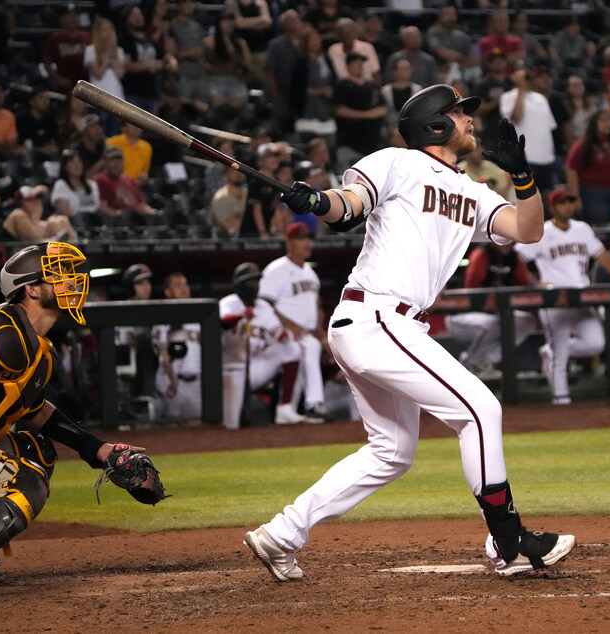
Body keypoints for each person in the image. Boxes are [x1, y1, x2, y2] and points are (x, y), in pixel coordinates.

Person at [245, 86, 576, 581]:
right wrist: (316, 200)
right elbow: (349, 204)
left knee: (392, 452)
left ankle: (281, 535)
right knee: (481, 410)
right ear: (434, 123)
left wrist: (524, 178)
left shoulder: (471, 189)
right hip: (377, 316)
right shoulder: (396, 162)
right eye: (461, 113)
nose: (470, 121)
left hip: (383, 324)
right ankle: (509, 542)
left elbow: (528, 231)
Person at [0, 242, 161, 603]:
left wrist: (99, 450)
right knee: (17, 479)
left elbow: (37, 411)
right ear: (30, 288)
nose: (72, 282)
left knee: (35, 452)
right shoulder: (1, 332)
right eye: (59, 274)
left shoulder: (38, 349)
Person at [516, 187, 610, 404]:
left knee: (596, 344)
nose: (568, 205)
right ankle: (561, 402)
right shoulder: (541, 231)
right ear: (552, 207)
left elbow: (602, 255)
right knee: (560, 355)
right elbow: (518, 258)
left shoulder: (582, 228)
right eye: (562, 202)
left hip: (583, 297)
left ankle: (549, 352)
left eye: (570, 201)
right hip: (556, 300)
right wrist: (537, 282)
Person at [220, 262, 309, 428]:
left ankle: (284, 408)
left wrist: (281, 336)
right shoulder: (229, 302)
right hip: (230, 369)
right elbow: (223, 322)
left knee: (292, 349)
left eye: (256, 280)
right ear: (239, 284)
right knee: (230, 425)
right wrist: (241, 316)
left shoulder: (263, 307)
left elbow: (280, 334)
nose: (255, 285)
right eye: (250, 281)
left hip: (255, 367)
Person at [257, 222, 328, 422]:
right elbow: (263, 304)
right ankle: (314, 404)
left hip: (302, 334)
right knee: (309, 347)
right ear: (288, 242)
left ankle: (288, 411)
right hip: (275, 335)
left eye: (309, 238)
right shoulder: (276, 269)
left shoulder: (311, 274)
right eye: (301, 238)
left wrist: (321, 337)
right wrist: (288, 325)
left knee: (307, 352)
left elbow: (314, 311)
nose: (307, 243)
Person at [445, 242, 536, 380]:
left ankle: (482, 361)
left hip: (493, 315)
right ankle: (470, 363)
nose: (507, 242)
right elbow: (471, 292)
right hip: (461, 315)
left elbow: (527, 282)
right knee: (492, 324)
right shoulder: (482, 254)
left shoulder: (513, 257)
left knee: (527, 321)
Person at [499, 65, 558, 193]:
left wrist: (551, 153)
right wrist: (521, 89)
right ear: (513, 77)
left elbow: (548, 128)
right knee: (528, 200)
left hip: (546, 159)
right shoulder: (507, 97)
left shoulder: (541, 98)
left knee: (546, 202)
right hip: (526, 159)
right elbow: (517, 116)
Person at [153, 272, 201, 420]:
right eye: (178, 286)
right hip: (172, 381)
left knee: (199, 428)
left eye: (186, 285)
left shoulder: (200, 316)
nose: (184, 289)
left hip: (196, 382)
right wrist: (172, 380)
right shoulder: (162, 319)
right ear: (168, 292)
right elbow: (164, 354)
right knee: (171, 428)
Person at [114, 263, 160, 412]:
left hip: (157, 373)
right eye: (140, 283)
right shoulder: (120, 312)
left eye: (147, 282)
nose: (146, 287)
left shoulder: (160, 310)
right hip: (128, 374)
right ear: (130, 286)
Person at [94, 145, 158, 224]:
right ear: (105, 162)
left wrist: (154, 213)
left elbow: (141, 204)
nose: (116, 164)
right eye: (112, 160)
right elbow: (103, 207)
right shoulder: (99, 180)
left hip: (139, 220)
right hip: (119, 223)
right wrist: (120, 216)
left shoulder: (129, 180)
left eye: (119, 160)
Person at [84, 16, 126, 136]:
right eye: (103, 29)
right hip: (98, 97)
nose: (107, 33)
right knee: (100, 133)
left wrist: (113, 55)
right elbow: (98, 74)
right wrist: (106, 55)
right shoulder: (90, 50)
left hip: (116, 97)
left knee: (115, 133)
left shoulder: (119, 51)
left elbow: (120, 74)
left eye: (109, 29)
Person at [3, 185, 79, 245]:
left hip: (29, 257)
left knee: (59, 220)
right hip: (8, 258)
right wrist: (57, 239)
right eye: (31, 200)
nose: (37, 202)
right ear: (21, 202)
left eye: (37, 199)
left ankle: (77, 249)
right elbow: (37, 243)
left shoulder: (33, 220)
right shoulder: (18, 214)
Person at [42, 4, 90, 93]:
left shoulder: (86, 37)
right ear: (62, 19)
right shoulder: (55, 38)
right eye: (69, 16)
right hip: (65, 87)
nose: (73, 18)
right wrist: (57, 78)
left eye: (75, 15)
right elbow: (46, 61)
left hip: (86, 84)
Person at [51, 149, 101, 232]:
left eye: (79, 162)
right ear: (65, 167)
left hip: (95, 222)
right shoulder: (61, 185)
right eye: (72, 162)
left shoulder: (92, 184)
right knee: (79, 218)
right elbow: (65, 213)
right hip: (75, 225)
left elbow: (98, 207)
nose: (77, 165)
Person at [210, 164, 248, 236]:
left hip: (251, 238)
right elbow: (230, 227)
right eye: (233, 171)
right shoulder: (221, 197)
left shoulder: (249, 194)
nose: (238, 173)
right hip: (225, 243)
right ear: (225, 175)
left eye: (240, 170)